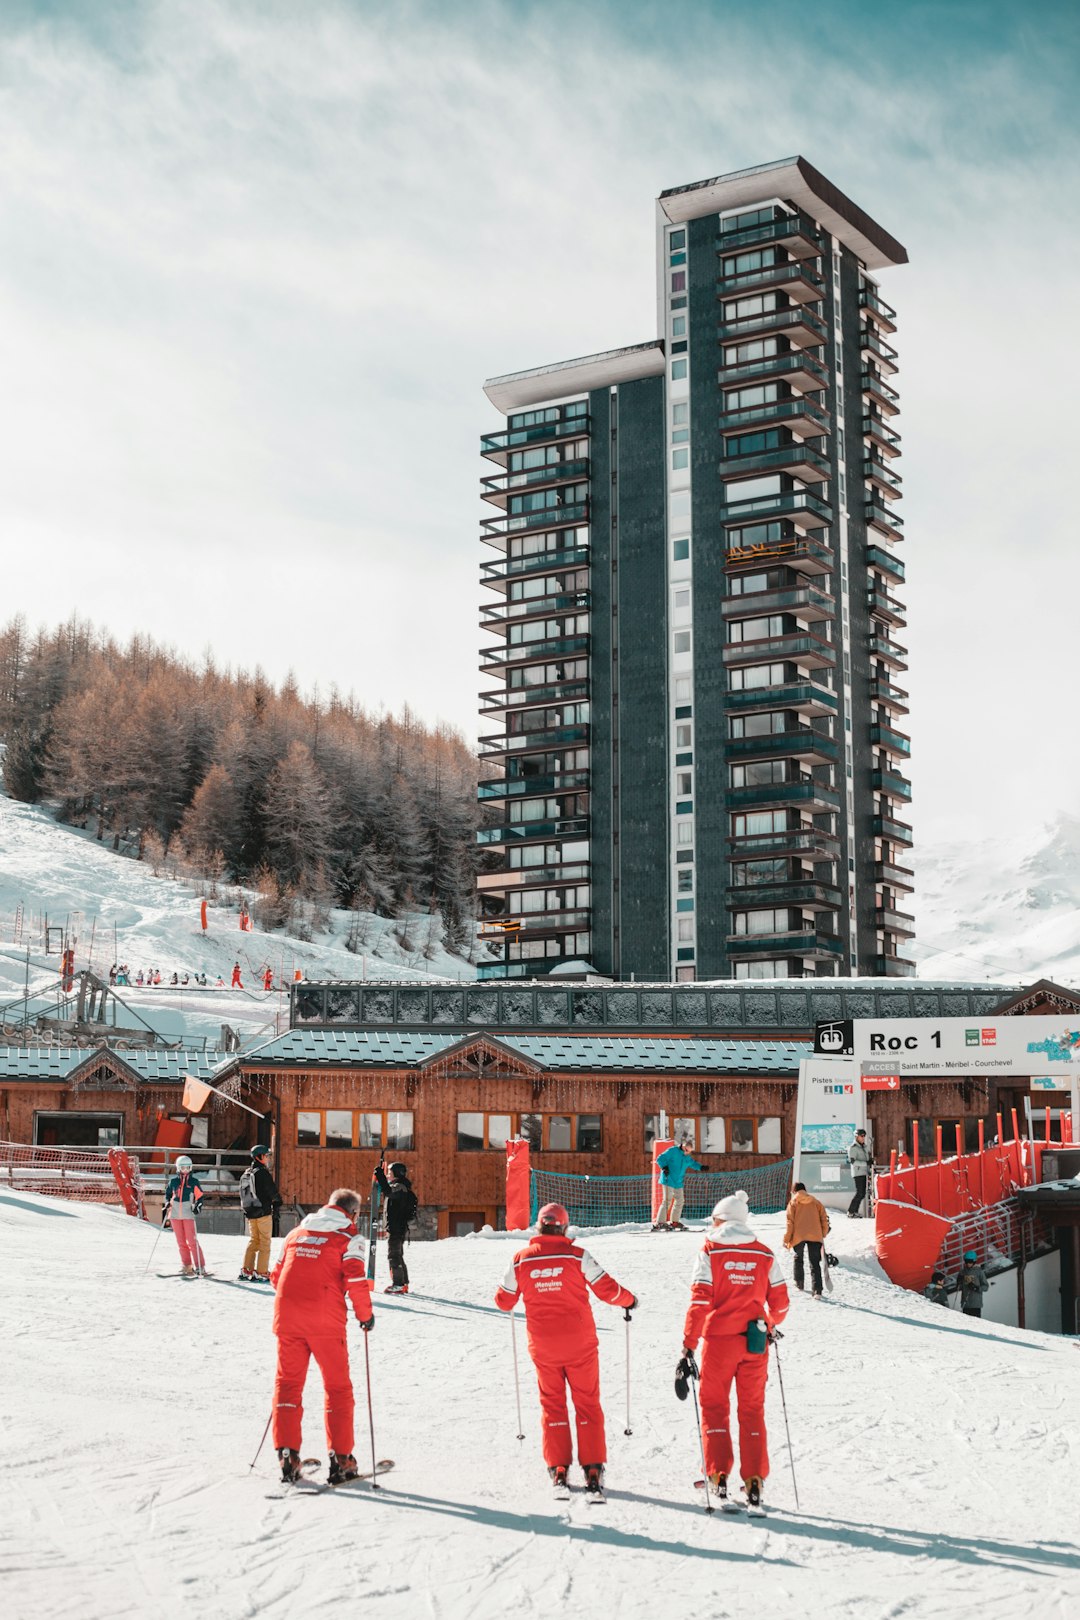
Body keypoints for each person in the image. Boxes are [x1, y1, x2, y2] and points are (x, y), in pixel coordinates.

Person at [495, 1202, 637, 1498]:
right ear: (564, 1227)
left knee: (552, 1404)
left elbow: (504, 1300)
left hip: (544, 1345)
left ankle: (558, 1468)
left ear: (539, 1226)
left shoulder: (521, 1260)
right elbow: (608, 1289)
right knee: (587, 1403)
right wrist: (629, 1301)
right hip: (580, 1344)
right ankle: (593, 1467)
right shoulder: (577, 1256)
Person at [679, 1189, 790, 1511]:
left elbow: (699, 1301)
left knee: (714, 1406)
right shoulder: (765, 1255)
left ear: (722, 1219)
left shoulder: (710, 1251)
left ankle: (717, 1474)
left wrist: (688, 1345)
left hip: (718, 1342)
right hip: (755, 1342)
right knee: (752, 1409)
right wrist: (767, 1323)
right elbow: (781, 1304)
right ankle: (754, 1478)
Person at [271, 1187, 374, 1485]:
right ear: (353, 1213)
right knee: (338, 1388)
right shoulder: (349, 1238)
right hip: (325, 1322)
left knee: (288, 1384)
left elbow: (276, 1277)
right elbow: (356, 1279)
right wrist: (365, 1316)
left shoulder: (296, 1233)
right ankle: (342, 1459)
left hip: (287, 1318)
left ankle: (287, 1454)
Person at [373, 1158, 418, 1294]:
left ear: (396, 1174)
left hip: (396, 1227)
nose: (388, 1175)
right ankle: (403, 1283)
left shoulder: (399, 1187)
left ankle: (398, 1284)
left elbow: (388, 1191)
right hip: (397, 1226)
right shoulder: (401, 1186)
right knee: (398, 1254)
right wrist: (381, 1175)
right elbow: (387, 1189)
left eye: (389, 1173)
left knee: (394, 1255)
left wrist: (379, 1175)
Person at [239, 1144, 282, 1281]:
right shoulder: (262, 1172)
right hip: (263, 1212)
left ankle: (247, 1269)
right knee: (265, 1242)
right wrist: (277, 1203)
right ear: (259, 1157)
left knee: (254, 1241)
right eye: (266, 1155)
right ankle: (262, 1271)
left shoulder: (247, 1173)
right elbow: (272, 1191)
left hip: (251, 1212)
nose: (268, 1158)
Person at [163, 1154, 207, 1277]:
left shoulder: (194, 1182)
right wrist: (167, 1203)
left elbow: (200, 1196)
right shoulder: (173, 1181)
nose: (185, 1170)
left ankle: (200, 1266)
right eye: (183, 1168)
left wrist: (197, 1206)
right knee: (181, 1242)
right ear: (178, 1168)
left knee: (192, 1241)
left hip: (188, 1214)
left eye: (188, 1168)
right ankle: (187, 1265)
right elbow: (167, 1194)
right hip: (175, 1214)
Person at [783, 1181, 830, 1298]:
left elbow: (790, 1223)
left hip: (799, 1235)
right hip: (815, 1235)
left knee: (798, 1258)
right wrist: (823, 1233)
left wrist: (786, 1239)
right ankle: (817, 1290)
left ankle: (799, 1283)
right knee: (814, 1262)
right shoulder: (815, 1202)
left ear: (794, 1191)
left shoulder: (793, 1202)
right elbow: (824, 1219)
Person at [654, 1138, 704, 1231]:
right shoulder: (673, 1151)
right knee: (667, 1200)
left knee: (680, 1200)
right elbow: (660, 1158)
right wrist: (664, 1167)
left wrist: (701, 1167)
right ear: (683, 1146)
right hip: (668, 1179)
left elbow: (692, 1163)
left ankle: (674, 1222)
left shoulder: (686, 1157)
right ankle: (660, 1223)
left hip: (678, 1182)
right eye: (686, 1150)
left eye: (689, 1151)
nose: (687, 1153)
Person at [956, 1251, 989, 1317]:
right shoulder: (962, 1272)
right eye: (966, 1261)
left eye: (970, 1262)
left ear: (974, 1262)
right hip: (965, 1303)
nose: (968, 1264)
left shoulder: (979, 1272)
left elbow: (986, 1286)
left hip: (975, 1304)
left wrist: (976, 1288)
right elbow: (958, 1288)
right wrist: (959, 1282)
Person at [847, 1128, 871, 1217]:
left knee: (862, 1193)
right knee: (860, 1193)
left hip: (864, 1172)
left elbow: (865, 1158)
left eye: (864, 1136)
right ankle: (851, 1211)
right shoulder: (853, 1148)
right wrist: (866, 1163)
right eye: (861, 1136)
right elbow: (853, 1162)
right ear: (856, 1137)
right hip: (858, 1173)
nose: (863, 1138)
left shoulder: (864, 1147)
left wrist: (869, 1161)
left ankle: (854, 1212)